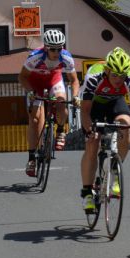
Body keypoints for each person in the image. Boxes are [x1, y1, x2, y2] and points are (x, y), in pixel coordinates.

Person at [79, 47, 130, 212]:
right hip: (94, 105)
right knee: (93, 142)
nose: (118, 79)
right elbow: (85, 111)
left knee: (126, 126)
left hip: (115, 102)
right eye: (115, 75)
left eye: (122, 75)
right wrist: (90, 131)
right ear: (107, 70)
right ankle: (87, 192)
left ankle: (115, 169)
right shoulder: (93, 76)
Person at [18, 29, 79, 177]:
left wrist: (76, 96)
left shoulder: (66, 58)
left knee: (61, 101)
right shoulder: (35, 57)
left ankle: (59, 131)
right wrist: (31, 92)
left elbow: (74, 80)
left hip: (54, 80)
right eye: (53, 49)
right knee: (35, 119)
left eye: (59, 48)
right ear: (46, 47)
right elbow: (22, 77)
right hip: (34, 83)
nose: (56, 52)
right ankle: (32, 158)